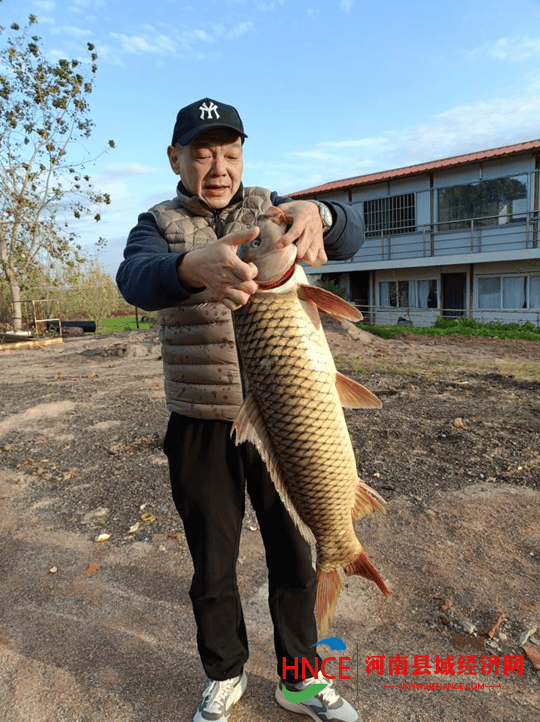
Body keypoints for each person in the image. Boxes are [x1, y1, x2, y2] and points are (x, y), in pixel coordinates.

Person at [116, 97, 364, 722]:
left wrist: (322, 213)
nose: (218, 166)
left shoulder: (269, 208)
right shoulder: (158, 223)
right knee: (212, 563)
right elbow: (135, 279)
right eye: (202, 154)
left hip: (283, 422)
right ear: (176, 159)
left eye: (230, 152)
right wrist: (186, 268)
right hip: (200, 423)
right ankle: (224, 674)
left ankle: (299, 678)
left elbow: (352, 232)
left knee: (293, 552)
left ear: (243, 156)